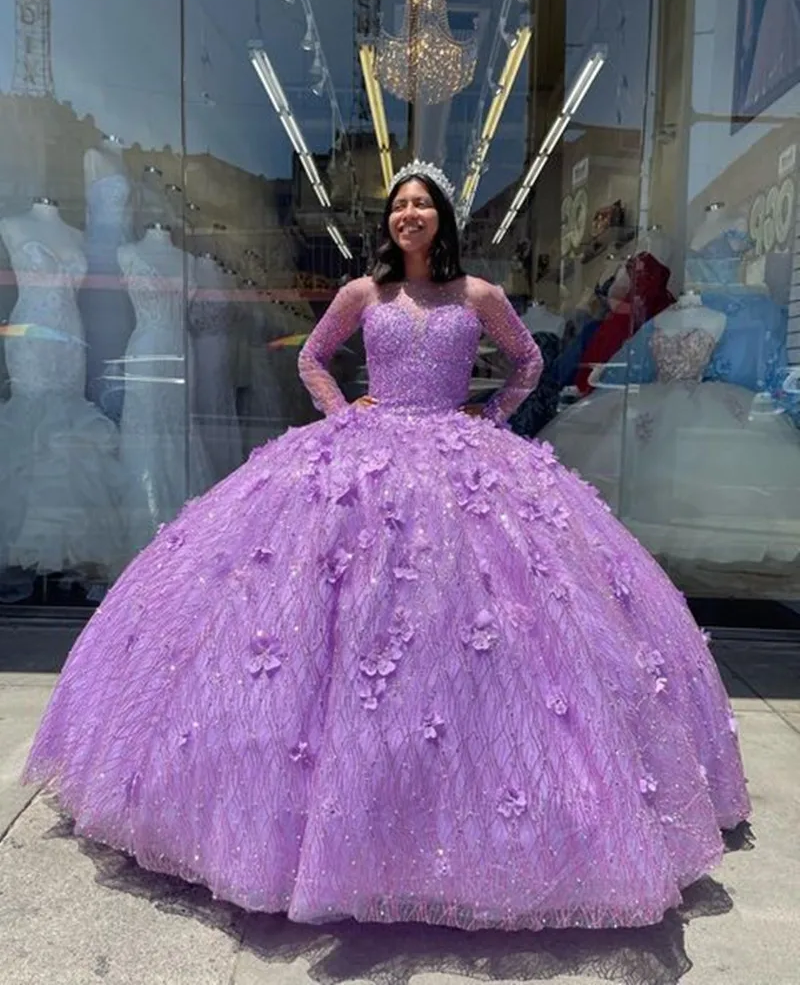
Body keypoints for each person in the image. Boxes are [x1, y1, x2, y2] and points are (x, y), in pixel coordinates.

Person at [24, 161, 750, 932]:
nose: (410, 215)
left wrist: (490, 415)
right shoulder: (362, 294)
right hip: (366, 448)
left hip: (457, 450)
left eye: (422, 205)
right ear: (390, 222)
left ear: (441, 219)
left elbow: (530, 363)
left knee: (476, 619)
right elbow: (311, 357)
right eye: (400, 205)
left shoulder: (479, 296)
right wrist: (341, 413)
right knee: (338, 608)